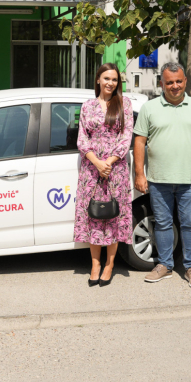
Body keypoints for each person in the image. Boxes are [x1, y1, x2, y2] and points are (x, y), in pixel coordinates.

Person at [135, 62, 191, 289]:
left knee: (189, 224)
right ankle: (164, 265)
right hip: (158, 179)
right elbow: (139, 141)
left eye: (179, 81)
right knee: (162, 224)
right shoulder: (149, 108)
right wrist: (139, 174)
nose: (175, 86)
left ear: (185, 81)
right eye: (170, 82)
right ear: (162, 83)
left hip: (189, 179)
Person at [74, 63, 134, 287]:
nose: (110, 83)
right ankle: (95, 264)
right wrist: (97, 163)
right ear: (98, 79)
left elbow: (126, 137)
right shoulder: (87, 105)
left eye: (114, 79)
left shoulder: (124, 104)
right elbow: (82, 139)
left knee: (113, 216)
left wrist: (108, 163)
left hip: (115, 169)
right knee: (93, 216)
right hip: (91, 170)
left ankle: (109, 264)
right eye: (106, 78)